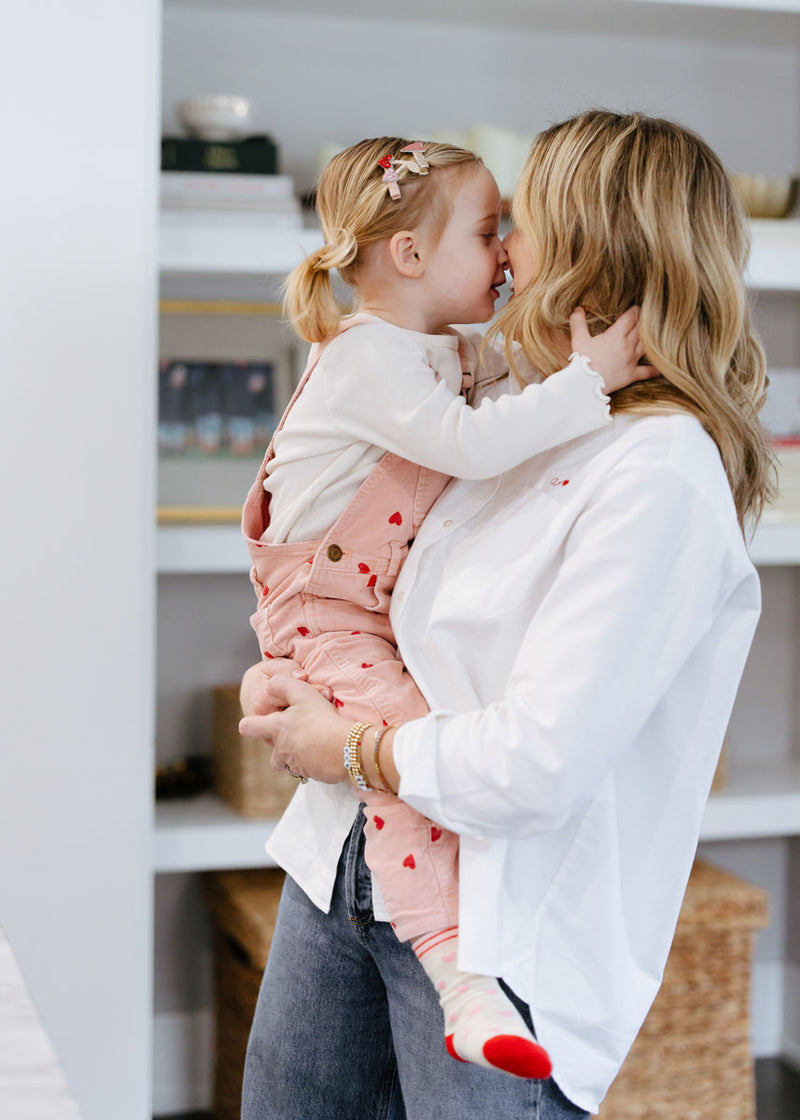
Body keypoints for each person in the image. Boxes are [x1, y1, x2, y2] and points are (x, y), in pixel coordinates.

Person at [238, 111, 774, 1120]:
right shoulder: (529, 408)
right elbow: (385, 594)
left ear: (591, 243)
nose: (503, 248)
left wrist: (349, 743)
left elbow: (535, 764)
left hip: (497, 934)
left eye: (518, 220)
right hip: (346, 864)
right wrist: (295, 676)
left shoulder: (658, 475)